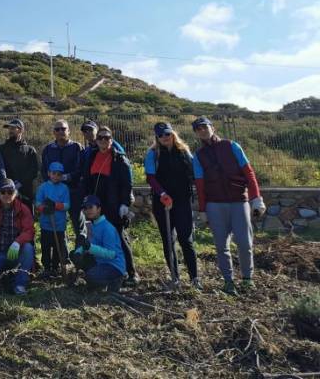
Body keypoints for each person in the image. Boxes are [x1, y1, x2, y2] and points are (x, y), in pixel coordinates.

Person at [192, 116, 265, 295]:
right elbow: (200, 184)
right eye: (198, 129)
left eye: (204, 127)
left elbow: (249, 173)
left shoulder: (232, 146)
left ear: (213, 127)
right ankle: (228, 281)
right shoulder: (198, 156)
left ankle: (247, 279)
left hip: (239, 201)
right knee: (221, 245)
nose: (202, 130)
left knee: (244, 243)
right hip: (214, 204)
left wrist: (256, 198)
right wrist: (203, 209)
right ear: (196, 133)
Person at [144, 122, 200, 289]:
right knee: (168, 240)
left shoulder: (184, 151)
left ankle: (194, 278)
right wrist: (162, 194)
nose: (164, 137)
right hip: (162, 202)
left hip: (182, 201)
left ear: (172, 134)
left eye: (167, 134)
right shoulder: (153, 154)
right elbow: (150, 177)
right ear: (157, 137)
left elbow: (194, 172)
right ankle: (175, 278)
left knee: (186, 239)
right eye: (161, 135)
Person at [81, 126, 137, 286]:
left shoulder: (120, 159)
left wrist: (125, 204)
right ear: (96, 140)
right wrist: (85, 198)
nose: (103, 140)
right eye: (100, 138)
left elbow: (127, 183)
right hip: (96, 204)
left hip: (114, 204)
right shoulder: (92, 155)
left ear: (111, 140)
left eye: (107, 138)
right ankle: (105, 271)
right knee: (97, 236)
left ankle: (131, 273)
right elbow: (86, 179)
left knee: (119, 236)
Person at [0, 177, 35, 295]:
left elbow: (29, 230)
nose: (6, 195)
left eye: (10, 191)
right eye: (3, 192)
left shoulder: (23, 209)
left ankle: (20, 285)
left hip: (17, 253)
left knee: (28, 248)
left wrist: (17, 242)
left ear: (15, 193)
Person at [70, 195, 126, 291]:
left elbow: (112, 254)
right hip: (100, 262)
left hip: (114, 266)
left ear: (99, 209)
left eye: (91, 207)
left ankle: (115, 280)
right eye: (85, 208)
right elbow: (86, 244)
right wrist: (78, 252)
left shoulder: (107, 228)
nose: (88, 210)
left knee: (91, 276)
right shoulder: (91, 225)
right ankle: (97, 281)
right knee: (73, 254)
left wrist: (90, 247)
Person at [41, 120, 85, 239]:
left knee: (78, 224)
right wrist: (52, 183)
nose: (60, 131)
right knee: (58, 226)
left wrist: (65, 177)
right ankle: (62, 250)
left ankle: (81, 248)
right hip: (55, 193)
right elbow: (44, 170)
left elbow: (81, 169)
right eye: (57, 129)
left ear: (69, 131)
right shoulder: (48, 149)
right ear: (54, 133)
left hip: (73, 191)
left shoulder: (77, 147)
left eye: (63, 129)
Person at [35, 162, 70, 278]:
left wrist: (55, 205)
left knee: (57, 246)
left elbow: (67, 205)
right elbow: (37, 203)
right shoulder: (43, 187)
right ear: (49, 173)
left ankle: (55, 267)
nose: (56, 176)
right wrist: (43, 208)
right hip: (46, 224)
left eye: (59, 174)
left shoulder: (64, 188)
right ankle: (46, 268)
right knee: (45, 246)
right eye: (54, 173)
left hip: (59, 225)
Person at [0, 118, 39, 204]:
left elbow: (34, 171)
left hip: (25, 192)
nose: (10, 131)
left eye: (13, 128)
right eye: (9, 128)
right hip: (6, 192)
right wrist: (8, 184)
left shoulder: (30, 150)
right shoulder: (1, 149)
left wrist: (20, 183)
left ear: (21, 130)